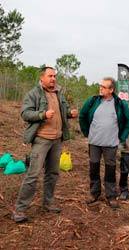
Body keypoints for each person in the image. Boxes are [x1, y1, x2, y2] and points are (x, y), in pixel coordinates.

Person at [12, 66, 78, 223]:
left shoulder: (58, 93)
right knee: (33, 174)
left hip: (57, 140)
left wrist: (69, 113)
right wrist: (42, 114)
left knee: (52, 173)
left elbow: (63, 110)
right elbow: (25, 113)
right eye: (50, 76)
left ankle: (47, 203)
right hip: (41, 139)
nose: (53, 79)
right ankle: (20, 209)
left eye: (54, 76)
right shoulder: (33, 94)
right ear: (42, 78)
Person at [79, 77, 129, 208]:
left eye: (104, 87)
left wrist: (123, 136)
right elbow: (82, 115)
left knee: (110, 170)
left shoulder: (120, 104)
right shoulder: (92, 101)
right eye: (100, 86)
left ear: (111, 90)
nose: (101, 88)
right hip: (94, 143)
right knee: (94, 168)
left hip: (111, 144)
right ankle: (94, 193)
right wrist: (87, 133)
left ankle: (111, 195)